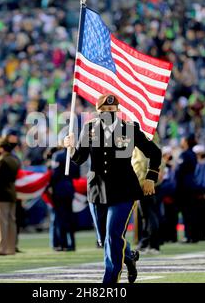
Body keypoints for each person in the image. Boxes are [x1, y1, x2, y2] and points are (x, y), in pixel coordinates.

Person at [64, 94, 162, 284]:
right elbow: (80, 159)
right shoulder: (89, 128)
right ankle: (129, 257)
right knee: (105, 239)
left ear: (117, 110)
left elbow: (155, 152)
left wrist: (151, 177)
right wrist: (71, 148)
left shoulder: (129, 129)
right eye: (104, 110)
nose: (109, 113)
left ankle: (109, 282)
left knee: (112, 236)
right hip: (97, 191)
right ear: (97, 111)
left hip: (124, 190)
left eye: (112, 110)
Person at [47, 145, 80, 251]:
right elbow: (77, 175)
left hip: (59, 190)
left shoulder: (58, 155)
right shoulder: (74, 155)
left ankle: (62, 243)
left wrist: (49, 185)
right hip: (70, 188)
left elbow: (55, 174)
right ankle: (72, 243)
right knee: (69, 217)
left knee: (60, 218)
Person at [132, 146, 162, 254]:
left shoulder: (142, 147)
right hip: (148, 182)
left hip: (144, 184)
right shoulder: (154, 143)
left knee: (148, 214)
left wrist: (142, 181)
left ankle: (151, 244)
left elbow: (142, 165)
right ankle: (148, 243)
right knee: (147, 214)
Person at [175, 135, 199, 243]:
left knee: (186, 212)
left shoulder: (184, 154)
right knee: (192, 212)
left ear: (186, 142)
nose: (181, 141)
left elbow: (179, 172)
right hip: (192, 185)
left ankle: (188, 236)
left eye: (183, 139)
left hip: (184, 187)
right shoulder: (193, 154)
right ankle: (194, 235)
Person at [158, 146, 178, 243]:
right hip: (163, 195)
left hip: (171, 195)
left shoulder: (172, 167)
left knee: (172, 217)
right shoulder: (162, 167)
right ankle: (164, 237)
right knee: (163, 216)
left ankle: (172, 237)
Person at [192, 144, 205, 241]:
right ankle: (200, 234)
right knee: (199, 215)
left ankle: (202, 234)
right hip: (199, 193)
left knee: (203, 215)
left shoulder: (203, 165)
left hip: (201, 193)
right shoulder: (200, 165)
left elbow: (204, 180)